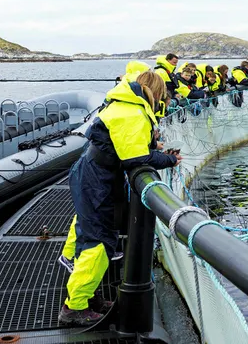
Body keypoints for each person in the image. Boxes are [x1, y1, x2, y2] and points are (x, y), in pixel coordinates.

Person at [58, 71, 181, 326]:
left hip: (94, 175)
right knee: (98, 242)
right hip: (97, 180)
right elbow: (135, 159)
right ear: (155, 93)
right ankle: (75, 307)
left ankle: (87, 296)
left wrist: (155, 151)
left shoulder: (125, 104)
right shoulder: (134, 113)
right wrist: (169, 159)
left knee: (94, 235)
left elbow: (129, 147)